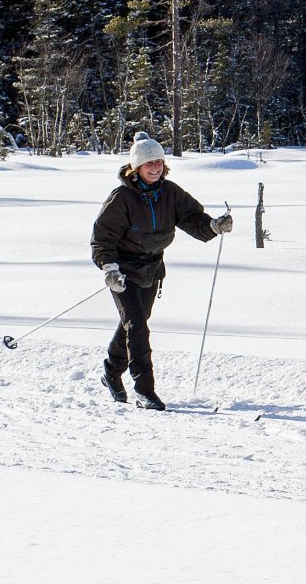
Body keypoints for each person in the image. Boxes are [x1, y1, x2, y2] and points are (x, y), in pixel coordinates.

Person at [90, 131, 232, 410]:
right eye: (148, 163)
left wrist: (213, 226)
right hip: (123, 271)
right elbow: (102, 237)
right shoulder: (121, 198)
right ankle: (144, 390)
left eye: (158, 162)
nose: (155, 168)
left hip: (152, 269)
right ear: (136, 168)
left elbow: (192, 217)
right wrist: (110, 268)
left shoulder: (170, 192)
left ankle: (111, 371)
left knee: (133, 324)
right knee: (137, 327)